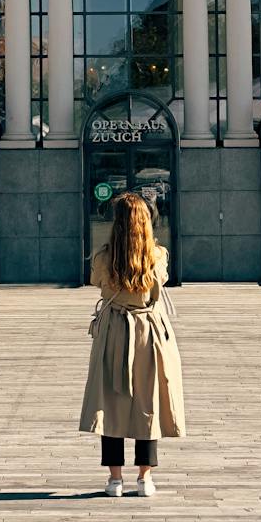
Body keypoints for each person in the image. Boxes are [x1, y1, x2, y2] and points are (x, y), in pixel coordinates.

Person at [80, 191, 185, 498]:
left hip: (115, 330)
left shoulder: (103, 256)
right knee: (147, 403)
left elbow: (97, 281)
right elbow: (161, 280)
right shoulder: (157, 255)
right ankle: (144, 478)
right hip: (149, 332)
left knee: (110, 402)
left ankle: (115, 480)